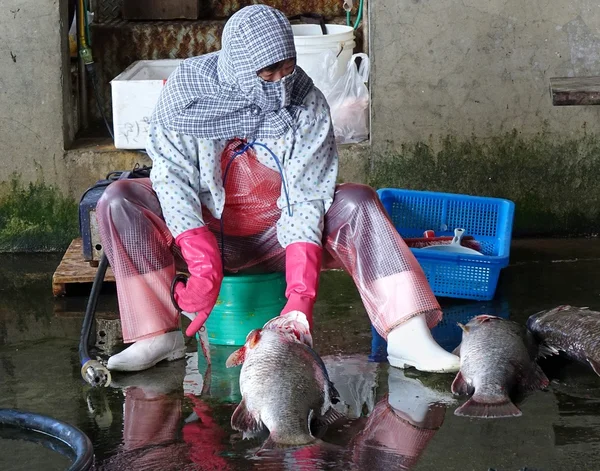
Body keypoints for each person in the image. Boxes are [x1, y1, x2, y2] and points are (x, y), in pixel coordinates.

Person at [96, 5, 459, 374]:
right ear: (238, 67)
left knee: (357, 200)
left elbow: (306, 195)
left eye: (287, 67)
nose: (280, 83)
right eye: (267, 72)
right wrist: (204, 265)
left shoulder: (305, 99)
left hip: (278, 241)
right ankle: (155, 334)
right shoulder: (188, 94)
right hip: (199, 238)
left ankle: (407, 335)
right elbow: (174, 181)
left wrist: (300, 298)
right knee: (118, 200)